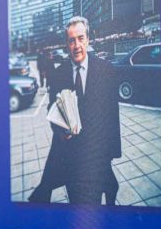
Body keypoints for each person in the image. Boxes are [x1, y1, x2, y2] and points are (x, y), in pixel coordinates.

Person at [28, 16, 121, 205]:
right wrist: (60, 130)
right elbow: (51, 109)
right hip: (70, 158)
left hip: (96, 157)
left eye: (80, 38)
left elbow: (112, 115)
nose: (77, 45)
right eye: (72, 40)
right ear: (66, 44)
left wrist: (111, 154)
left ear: (88, 39)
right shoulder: (58, 73)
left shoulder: (106, 70)